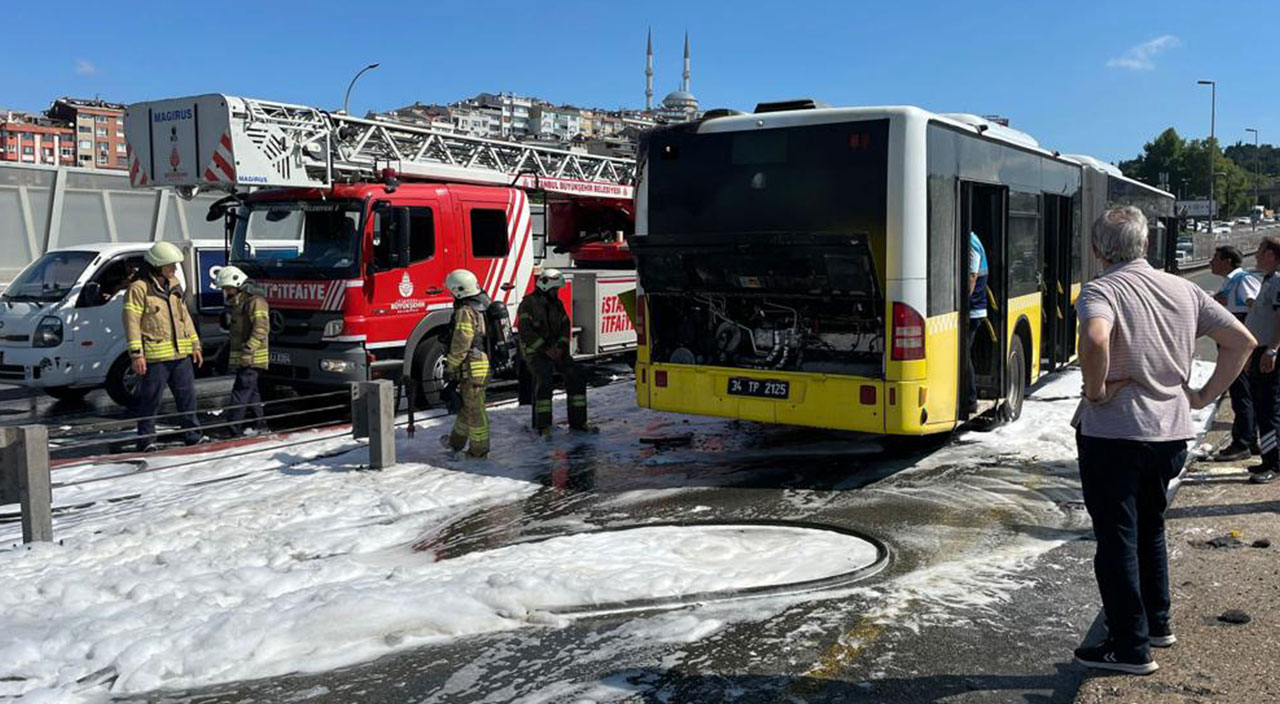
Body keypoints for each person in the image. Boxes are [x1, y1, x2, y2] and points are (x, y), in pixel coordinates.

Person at [1072, 207, 1254, 674]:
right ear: (1146, 246)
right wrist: (1204, 395)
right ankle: (1157, 622)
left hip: (1115, 435)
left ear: (1097, 250)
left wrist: (1095, 393)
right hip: (1170, 433)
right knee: (1150, 527)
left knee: (1115, 539)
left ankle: (1130, 647)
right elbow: (1241, 341)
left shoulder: (1102, 289)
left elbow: (1095, 341)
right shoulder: (1183, 289)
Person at [123, 242, 207, 452]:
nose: (174, 269)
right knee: (150, 400)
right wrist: (136, 355)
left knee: (187, 397)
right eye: (170, 266)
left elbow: (184, 317)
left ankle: (193, 435)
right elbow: (131, 322)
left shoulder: (174, 284)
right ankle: (146, 440)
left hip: (181, 355)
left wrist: (195, 344)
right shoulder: (138, 288)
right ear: (156, 266)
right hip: (155, 358)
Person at [517, 268, 595, 435]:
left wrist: (560, 347)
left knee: (576, 375)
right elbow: (525, 331)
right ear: (546, 287)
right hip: (535, 353)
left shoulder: (557, 305)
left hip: (556, 352)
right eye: (555, 289)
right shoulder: (528, 304)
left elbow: (565, 326)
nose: (557, 292)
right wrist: (545, 349)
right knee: (543, 379)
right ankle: (542, 426)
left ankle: (578, 422)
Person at [1210, 245, 1261, 461]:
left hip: (1239, 344)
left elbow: (1257, 307)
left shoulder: (1242, 280)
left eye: (1215, 258)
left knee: (1242, 393)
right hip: (1233, 343)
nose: (1211, 261)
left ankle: (1242, 443)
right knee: (1243, 392)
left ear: (1228, 261)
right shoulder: (1230, 281)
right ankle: (1249, 439)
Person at [440, 269, 491, 459]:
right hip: (480, 362)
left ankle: (478, 452)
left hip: (473, 365)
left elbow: (462, 341)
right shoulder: (482, 304)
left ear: (458, 290)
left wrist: (450, 366)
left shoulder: (465, 311)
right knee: (467, 406)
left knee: (475, 410)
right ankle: (456, 442)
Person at [216, 265, 270, 437]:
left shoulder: (255, 302)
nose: (226, 293)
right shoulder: (241, 303)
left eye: (227, 289)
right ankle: (260, 425)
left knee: (240, 392)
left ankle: (233, 429)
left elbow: (261, 328)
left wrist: (248, 351)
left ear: (237, 284)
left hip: (252, 357)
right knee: (251, 392)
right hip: (246, 357)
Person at [1244, 237, 1280, 484]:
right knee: (1263, 405)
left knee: (1269, 408)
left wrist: (1272, 350)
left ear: (1270, 254)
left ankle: (1274, 463)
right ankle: (1269, 458)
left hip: (1269, 351)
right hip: (1260, 350)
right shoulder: (1269, 280)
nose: (1256, 255)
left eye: (1259, 251)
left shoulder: (1277, 280)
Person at [968, 231, 989, 414]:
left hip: (973, 310)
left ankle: (970, 400)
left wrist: (960, 300)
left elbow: (972, 276)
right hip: (972, 310)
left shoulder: (971, 241)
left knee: (964, 356)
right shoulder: (972, 238)